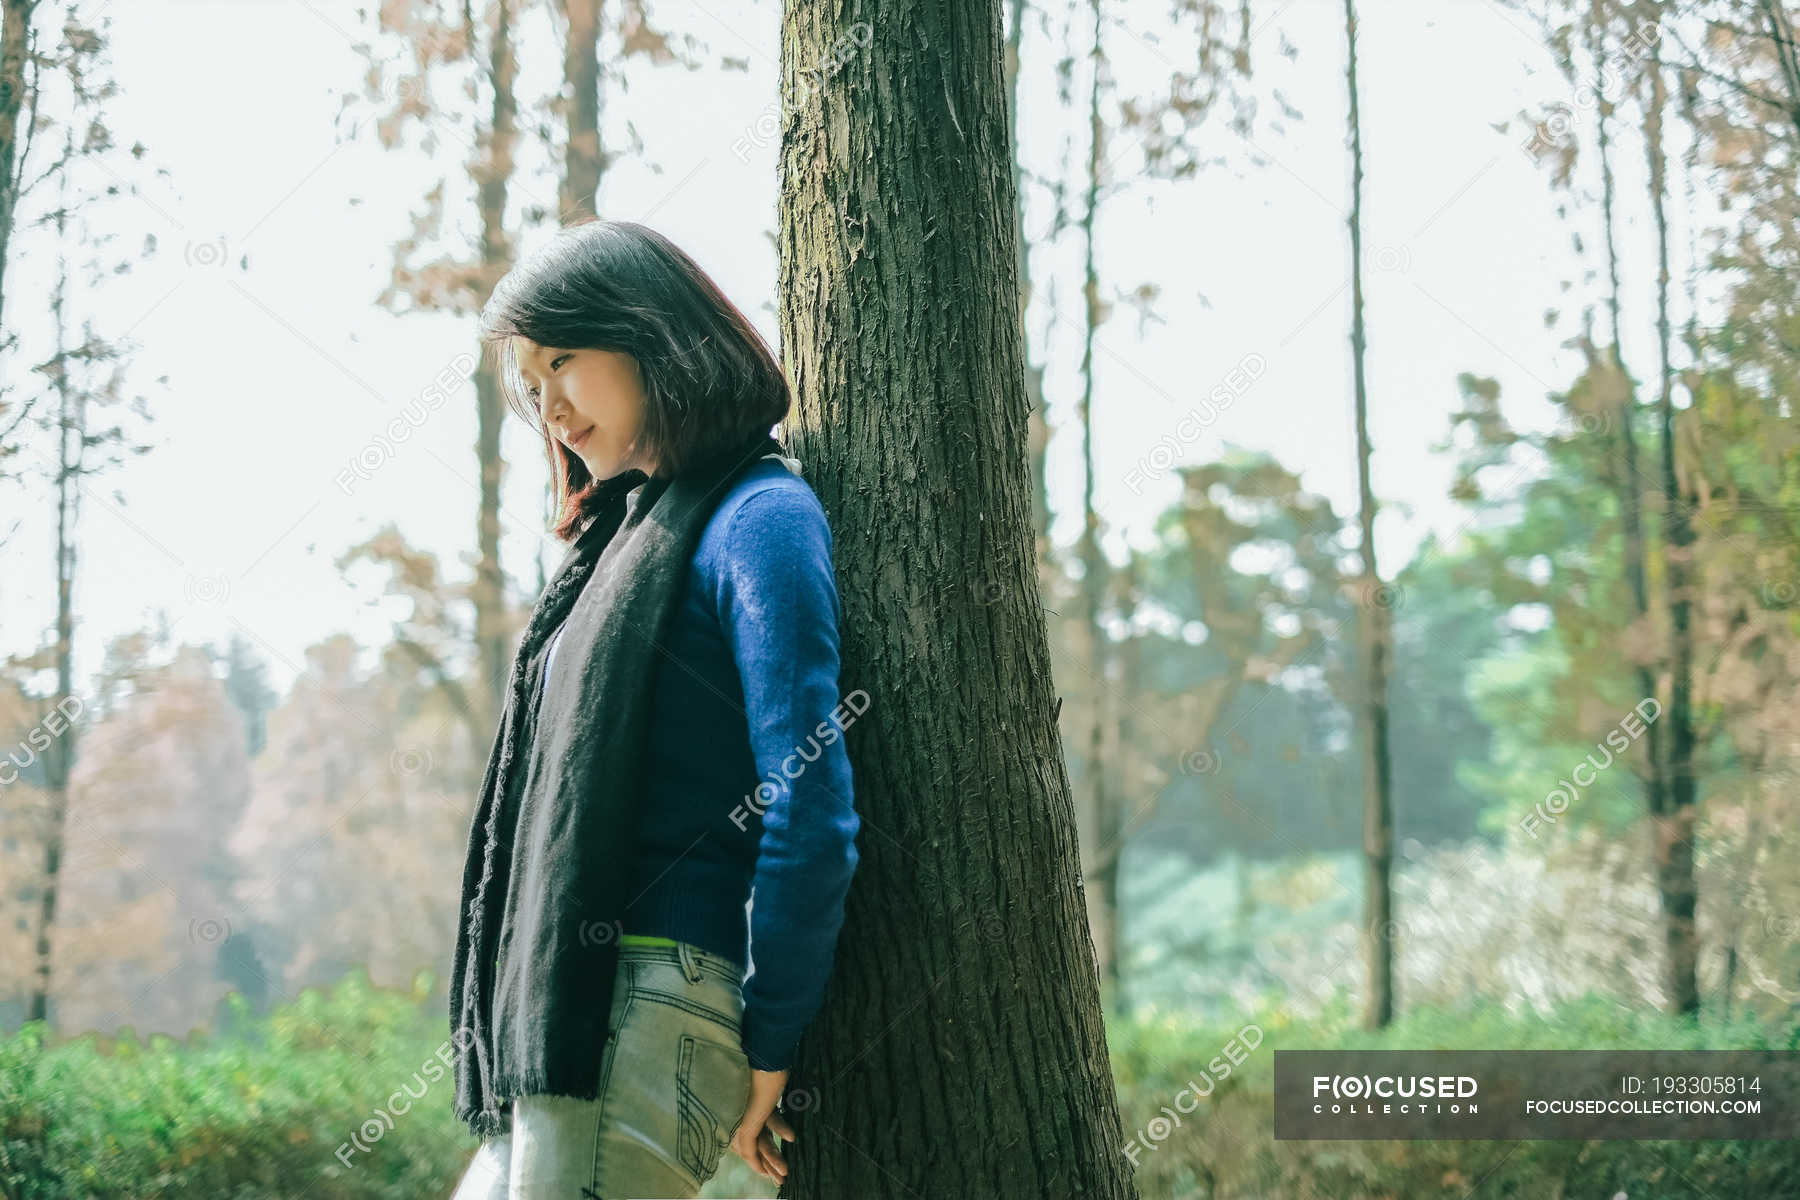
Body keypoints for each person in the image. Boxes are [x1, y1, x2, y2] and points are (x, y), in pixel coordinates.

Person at [446, 219, 861, 1198]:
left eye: (565, 360)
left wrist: (771, 1041)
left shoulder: (758, 517)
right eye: (529, 379)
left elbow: (810, 803)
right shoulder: (623, 539)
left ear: (650, 336)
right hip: (562, 1006)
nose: (547, 401)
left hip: (655, 1000)